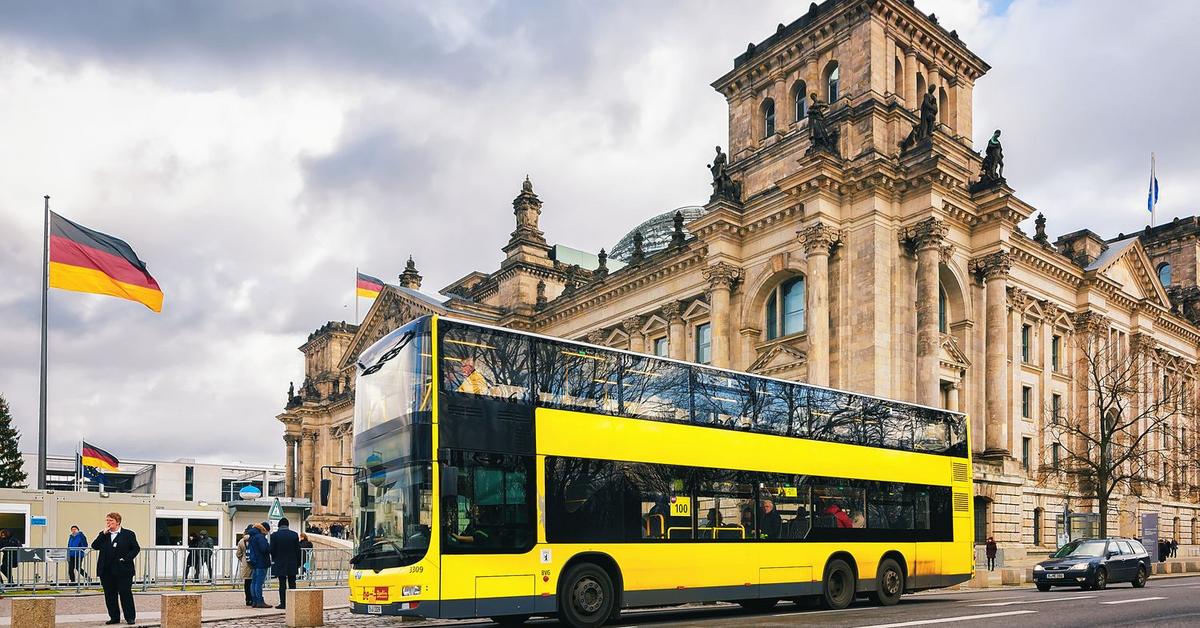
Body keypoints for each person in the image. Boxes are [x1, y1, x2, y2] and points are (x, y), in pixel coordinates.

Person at [91, 511, 140, 625]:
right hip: (106, 570)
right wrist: (103, 534)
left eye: (111, 520)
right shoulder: (104, 534)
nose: (108, 522)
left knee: (125, 593)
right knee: (110, 595)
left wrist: (126, 559)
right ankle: (114, 617)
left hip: (123, 570)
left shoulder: (128, 534)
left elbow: (135, 548)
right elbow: (95, 546)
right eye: (107, 520)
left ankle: (130, 617)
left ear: (117, 522)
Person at [270, 517, 302, 609]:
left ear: (279, 525)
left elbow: (272, 549)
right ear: (288, 525)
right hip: (292, 562)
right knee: (292, 583)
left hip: (280, 562)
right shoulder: (294, 535)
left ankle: (283, 603)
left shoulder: (274, 535)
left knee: (282, 583)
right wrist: (298, 562)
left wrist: (275, 558)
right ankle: (292, 603)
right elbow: (297, 550)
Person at [246, 522, 272, 609]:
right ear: (263, 529)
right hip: (262, 562)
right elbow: (264, 549)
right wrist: (269, 546)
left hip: (255, 562)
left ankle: (254, 601)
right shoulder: (260, 537)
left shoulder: (252, 536)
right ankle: (260, 601)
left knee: (254, 582)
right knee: (259, 583)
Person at [236, 529, 253, 606]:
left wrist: (243, 560)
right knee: (253, 582)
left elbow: (238, 554)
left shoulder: (241, 541)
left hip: (245, 563)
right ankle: (253, 599)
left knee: (247, 582)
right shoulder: (254, 539)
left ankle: (247, 599)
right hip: (253, 563)